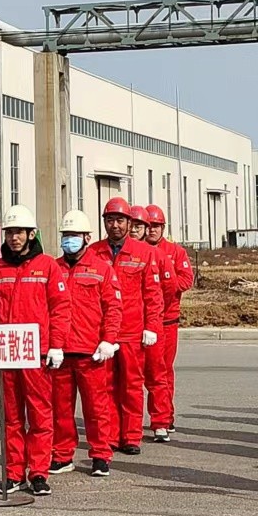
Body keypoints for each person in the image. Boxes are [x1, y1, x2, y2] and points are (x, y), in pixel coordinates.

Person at [0, 205, 71, 496]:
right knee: (11, 417)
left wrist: (57, 345)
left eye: (19, 232)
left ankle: (39, 473)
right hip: (7, 353)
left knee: (40, 415)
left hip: (36, 354)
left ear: (31, 234)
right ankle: (14, 474)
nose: (14, 238)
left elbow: (60, 308)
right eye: (9, 233)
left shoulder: (47, 266)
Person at [48, 209, 121, 476]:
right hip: (60, 352)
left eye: (75, 235)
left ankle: (101, 455)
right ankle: (62, 455)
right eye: (66, 235)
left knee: (96, 408)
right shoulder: (52, 268)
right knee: (60, 409)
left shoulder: (102, 269)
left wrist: (108, 340)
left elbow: (113, 308)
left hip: (91, 353)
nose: (70, 240)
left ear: (87, 238)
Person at [99, 195, 164, 455]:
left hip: (132, 332)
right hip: (103, 333)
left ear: (129, 223)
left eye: (120, 220)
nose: (115, 225)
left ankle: (131, 436)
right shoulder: (93, 253)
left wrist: (152, 326)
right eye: (110, 220)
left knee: (132, 385)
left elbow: (153, 294)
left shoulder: (144, 253)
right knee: (105, 386)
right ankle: (111, 436)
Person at [142, 204, 194, 442]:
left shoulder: (175, 252)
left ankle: (165, 417)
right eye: (149, 226)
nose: (152, 230)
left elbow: (186, 279)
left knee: (162, 371)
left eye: (156, 226)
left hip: (167, 320)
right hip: (141, 321)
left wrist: (167, 285)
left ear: (163, 227)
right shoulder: (137, 252)